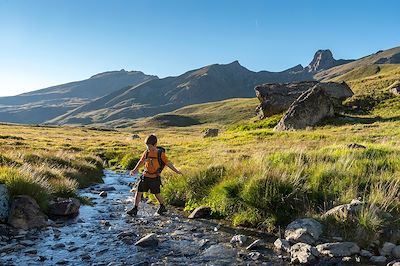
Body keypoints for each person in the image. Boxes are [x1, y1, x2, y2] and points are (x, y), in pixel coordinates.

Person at [127, 134, 182, 216]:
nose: (148, 148)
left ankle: (162, 206)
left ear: (155, 145)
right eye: (147, 146)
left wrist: (176, 171)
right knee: (138, 192)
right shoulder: (146, 152)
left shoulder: (160, 154)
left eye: (149, 146)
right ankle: (135, 208)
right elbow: (141, 161)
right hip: (145, 176)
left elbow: (168, 163)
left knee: (156, 193)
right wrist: (135, 169)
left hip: (154, 178)